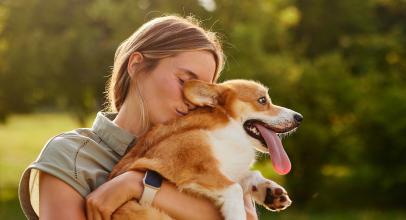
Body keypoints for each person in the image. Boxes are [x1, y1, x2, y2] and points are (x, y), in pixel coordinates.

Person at [18, 15, 258, 220]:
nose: (193, 99)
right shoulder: (71, 156)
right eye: (184, 81)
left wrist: (137, 186)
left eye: (204, 92)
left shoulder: (213, 152)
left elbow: (246, 215)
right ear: (136, 65)